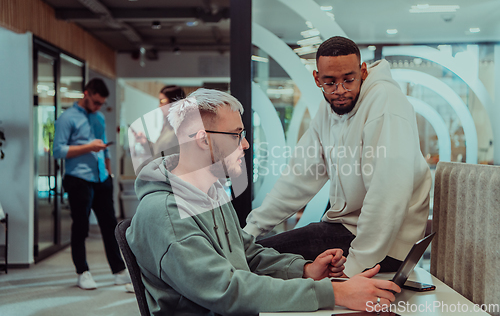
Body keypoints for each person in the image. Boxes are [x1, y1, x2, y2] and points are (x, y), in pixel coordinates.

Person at [126, 88, 400, 315]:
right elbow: (227, 290)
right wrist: (334, 291)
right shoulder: (165, 214)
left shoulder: (210, 193)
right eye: (236, 135)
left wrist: (304, 270)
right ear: (202, 140)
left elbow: (247, 255)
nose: (245, 145)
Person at [244, 36, 432, 278]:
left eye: (349, 80)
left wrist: (353, 268)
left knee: (256, 258)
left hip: (388, 246)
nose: (340, 90)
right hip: (345, 230)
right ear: (317, 79)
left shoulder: (385, 102)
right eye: (330, 83)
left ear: (363, 72)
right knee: (255, 253)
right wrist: (251, 229)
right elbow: (300, 176)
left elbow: (388, 192)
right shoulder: (329, 108)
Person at [53, 78, 131, 290]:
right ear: (86, 94)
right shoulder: (66, 118)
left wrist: (109, 172)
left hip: (101, 179)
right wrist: (88, 147)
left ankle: (119, 271)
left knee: (110, 226)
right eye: (96, 102)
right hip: (78, 179)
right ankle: (82, 272)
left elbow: (104, 146)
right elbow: (58, 150)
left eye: (101, 103)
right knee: (81, 227)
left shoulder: (99, 117)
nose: (98, 107)